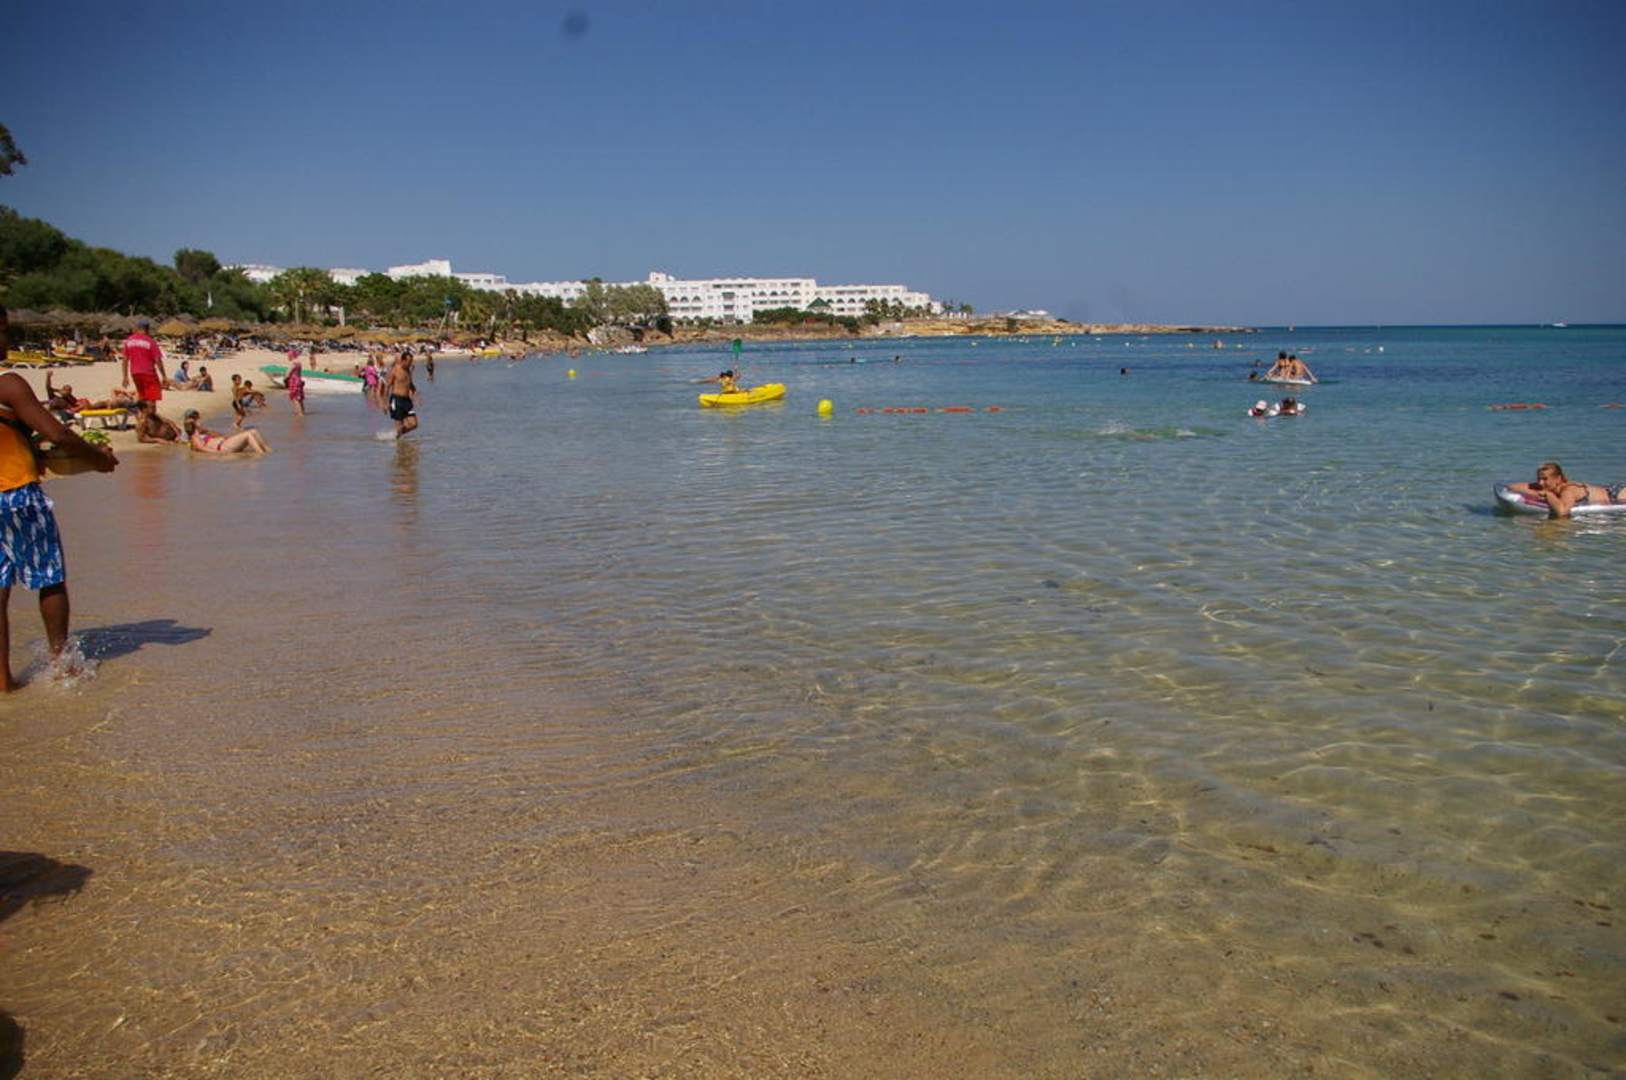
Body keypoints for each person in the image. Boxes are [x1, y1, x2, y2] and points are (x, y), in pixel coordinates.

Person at [0, 305, 118, 691]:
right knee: (50, 578)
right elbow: (60, 435)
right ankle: (62, 666)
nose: (7, 339)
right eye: (4, 330)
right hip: (16, 494)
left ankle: (3, 681)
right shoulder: (9, 383)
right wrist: (98, 459)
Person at [1507, 462, 1624, 519]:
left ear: (1558, 478)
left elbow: (1562, 513)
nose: (1540, 483)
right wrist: (1535, 491)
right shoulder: (1549, 485)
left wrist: (1548, 495)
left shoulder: (1568, 491)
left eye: (1545, 479)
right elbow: (1511, 486)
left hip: (1616, 494)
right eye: (1539, 479)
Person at [121, 317, 168, 405]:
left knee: (142, 398)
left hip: (135, 373)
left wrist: (125, 377)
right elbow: (158, 360)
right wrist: (164, 376)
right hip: (148, 373)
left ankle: (143, 413)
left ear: (137, 328)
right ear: (147, 329)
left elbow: (125, 360)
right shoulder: (150, 342)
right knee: (152, 400)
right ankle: (149, 414)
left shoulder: (129, 341)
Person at [182, 409, 270, 454]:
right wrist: (220, 454)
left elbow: (217, 435)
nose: (198, 420)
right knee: (248, 435)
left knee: (253, 431)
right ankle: (260, 455)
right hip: (223, 447)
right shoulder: (194, 437)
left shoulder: (201, 433)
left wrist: (206, 431)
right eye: (196, 419)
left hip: (225, 443)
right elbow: (202, 448)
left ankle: (268, 451)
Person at [385, 350, 419, 438]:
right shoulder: (395, 370)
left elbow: (410, 384)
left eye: (411, 362)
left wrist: (416, 395)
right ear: (403, 360)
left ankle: (395, 436)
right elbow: (388, 386)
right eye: (409, 362)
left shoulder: (408, 370)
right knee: (399, 426)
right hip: (396, 400)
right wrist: (386, 403)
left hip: (407, 400)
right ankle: (397, 439)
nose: (410, 364)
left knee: (414, 424)